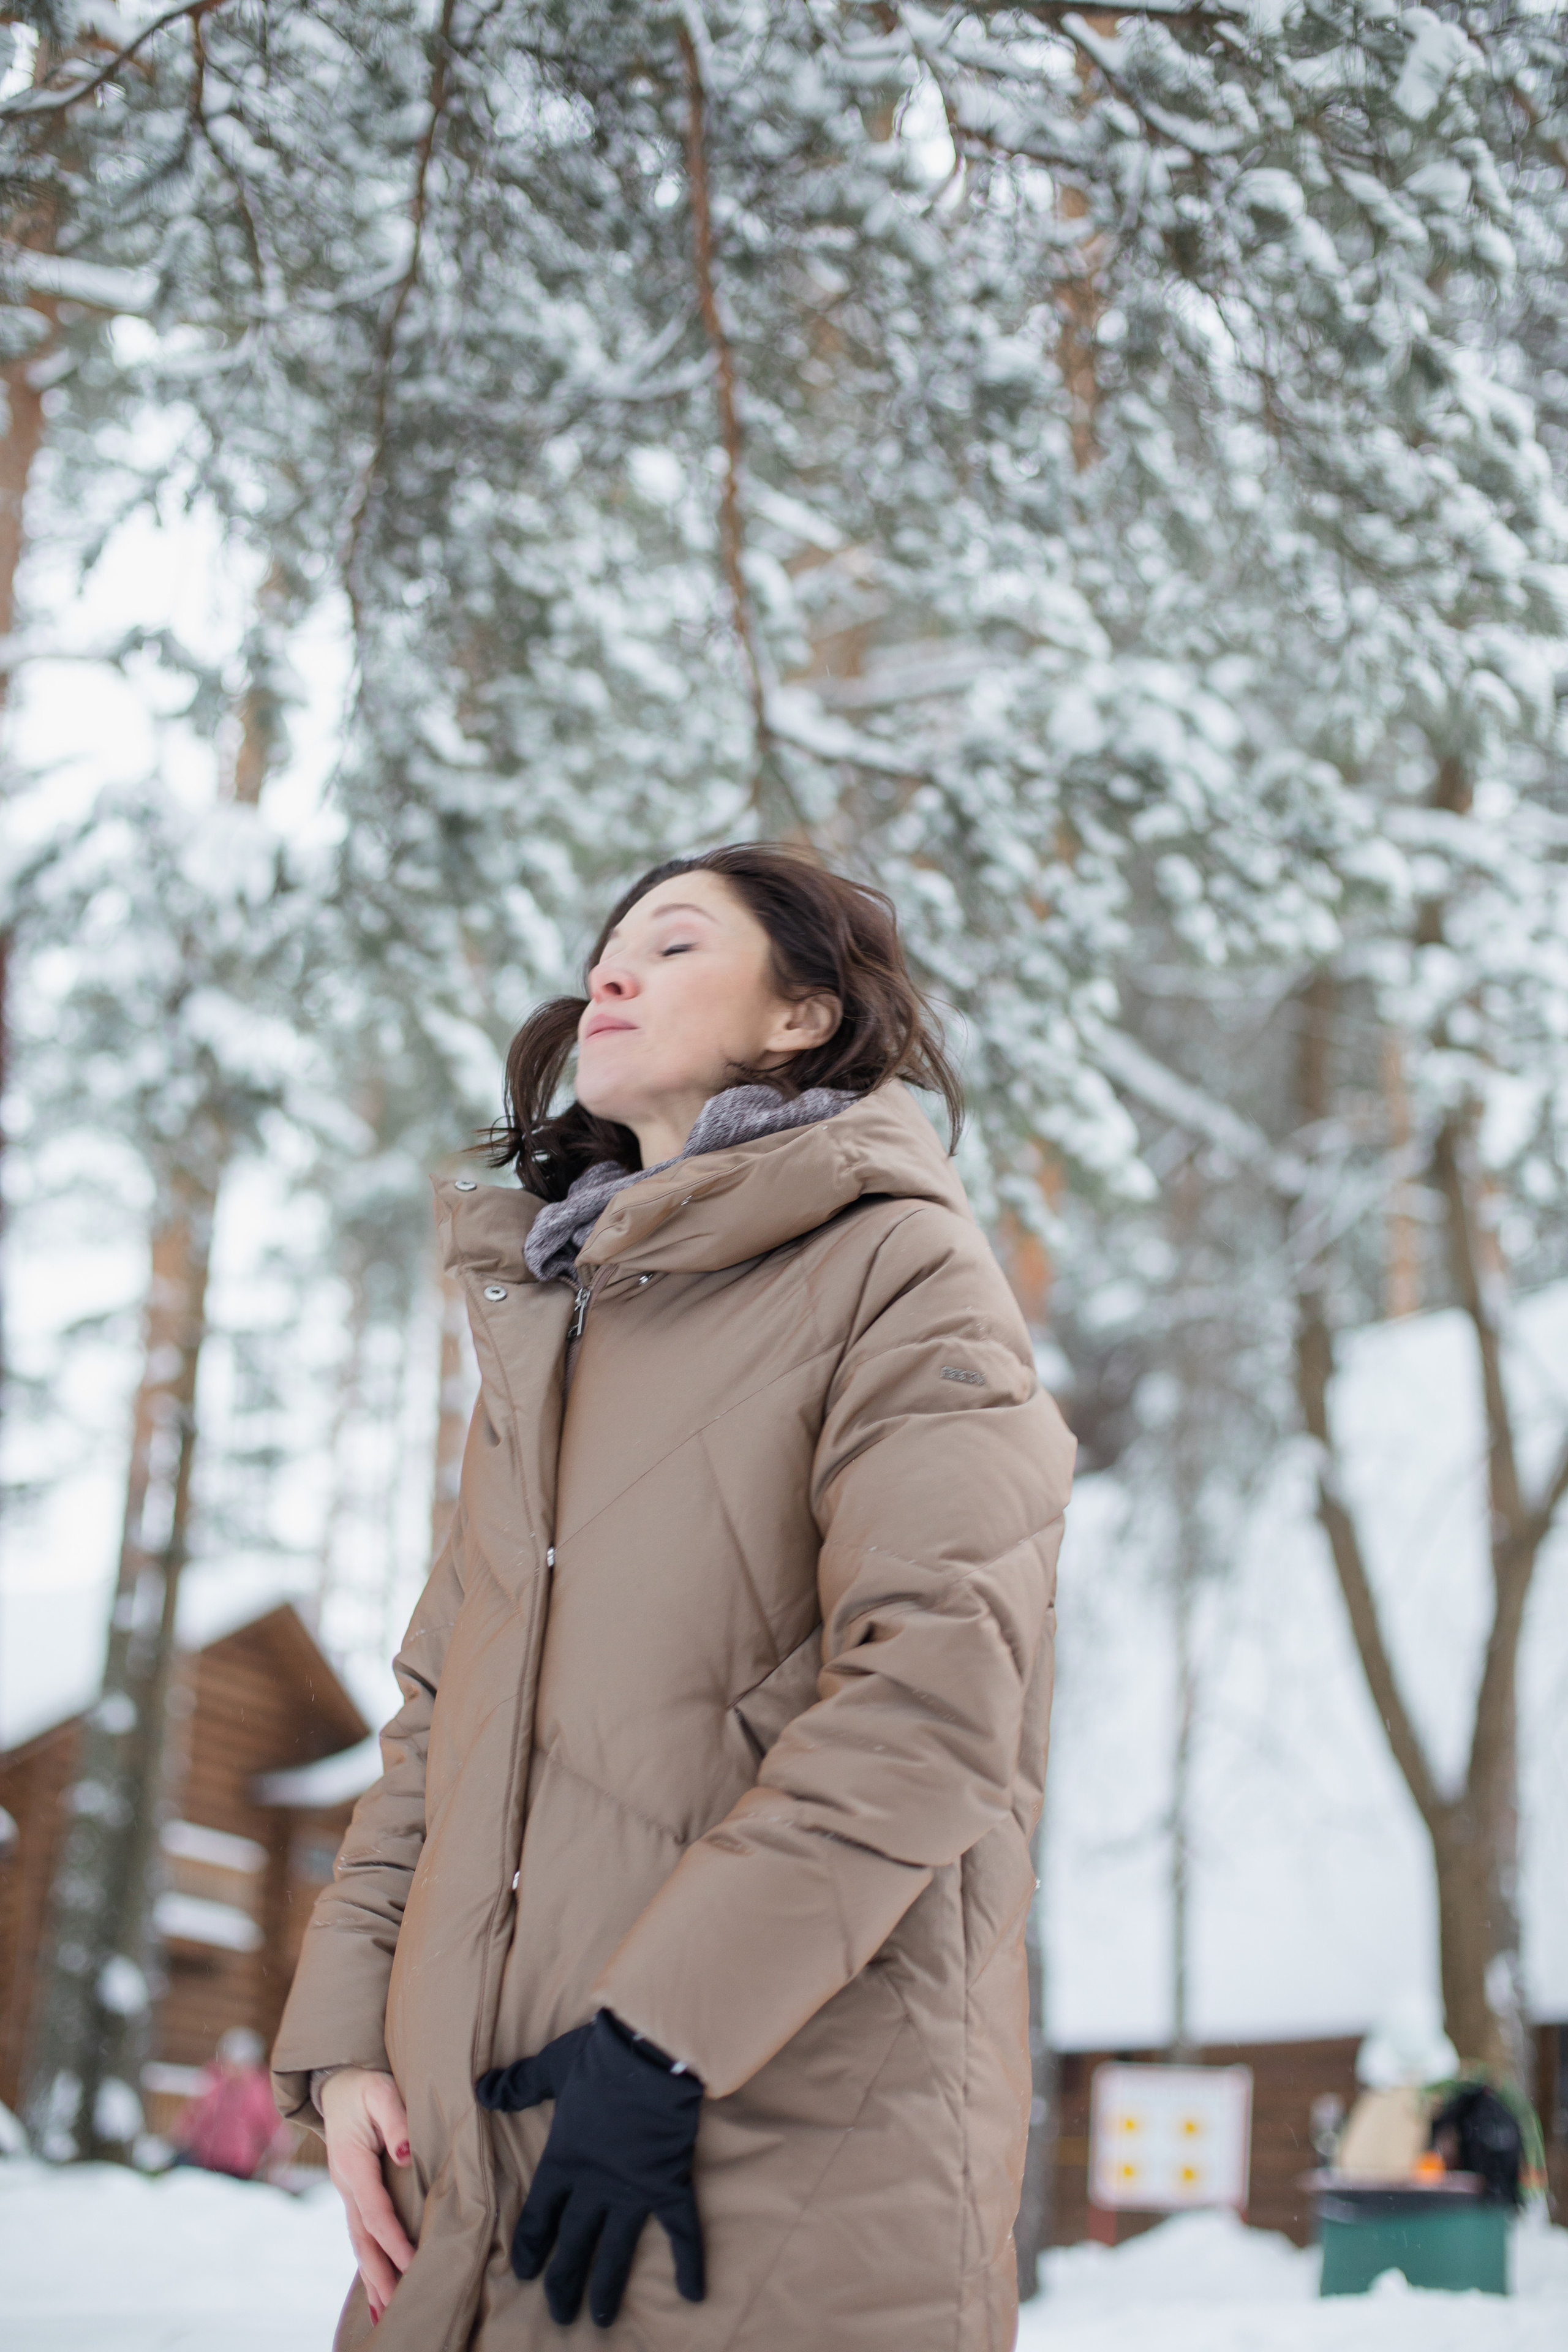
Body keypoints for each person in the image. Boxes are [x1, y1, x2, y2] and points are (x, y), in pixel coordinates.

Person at [271, 845, 1076, 2351]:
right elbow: (441, 1713)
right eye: (605, 947)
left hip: (768, 2142)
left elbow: (933, 1693)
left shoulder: (899, 1271)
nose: (609, 974)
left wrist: (656, 2039)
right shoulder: (554, 1333)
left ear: (799, 1018)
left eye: (673, 942)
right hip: (468, 2159)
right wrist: (346, 2041)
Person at [175, 2026, 290, 2182]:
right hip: (206, 2160)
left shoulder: (258, 2092)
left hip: (241, 2167)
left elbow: (270, 2125)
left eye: (242, 2065)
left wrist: (277, 2147)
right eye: (231, 2063)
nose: (236, 2070)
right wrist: (183, 2136)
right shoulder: (213, 2084)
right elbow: (194, 2115)